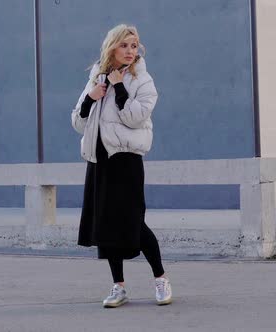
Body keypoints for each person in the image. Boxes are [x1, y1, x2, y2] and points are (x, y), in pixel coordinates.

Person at [71, 24, 171, 308]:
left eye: (135, 45)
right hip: (99, 160)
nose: (131, 51)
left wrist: (117, 86)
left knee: (133, 222)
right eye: (125, 45)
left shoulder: (143, 80)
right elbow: (78, 122)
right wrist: (92, 98)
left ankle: (160, 278)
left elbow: (136, 118)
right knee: (105, 224)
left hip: (126, 159)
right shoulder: (95, 76)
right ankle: (119, 287)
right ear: (112, 47)